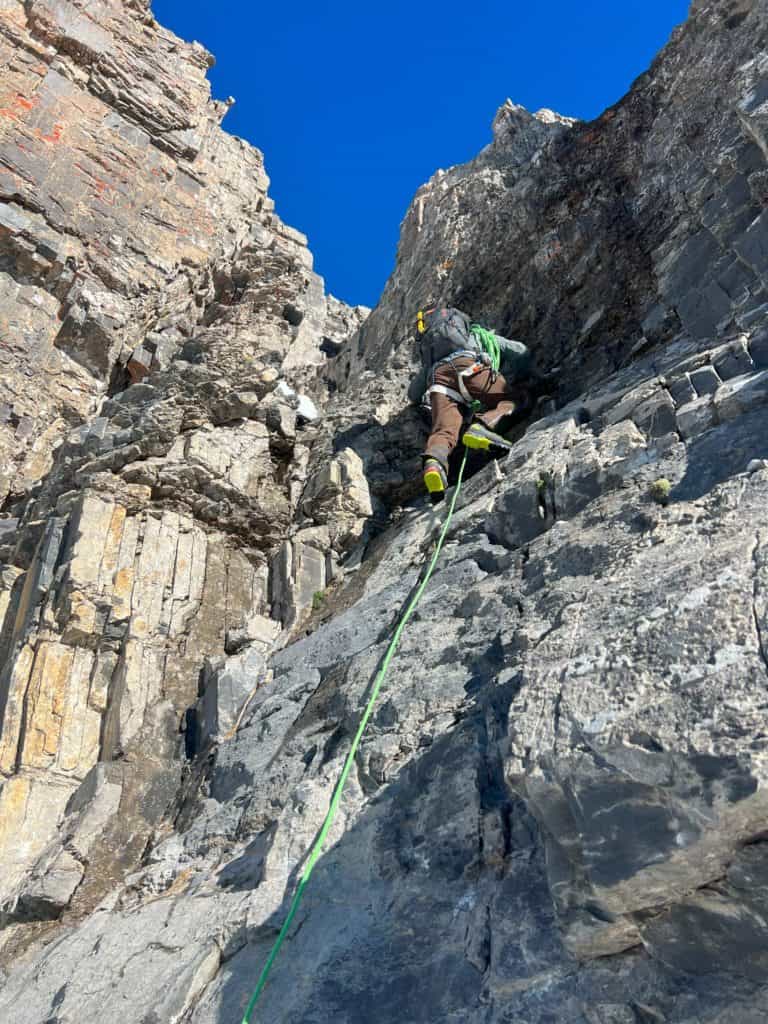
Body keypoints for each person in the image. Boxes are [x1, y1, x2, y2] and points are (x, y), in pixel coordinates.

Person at [408, 307, 532, 495]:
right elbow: (520, 350)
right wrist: (526, 374)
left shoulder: (431, 359)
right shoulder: (478, 336)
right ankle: (481, 427)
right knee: (514, 399)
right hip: (471, 366)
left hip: (438, 381)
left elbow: (413, 394)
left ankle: (434, 464)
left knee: (444, 431)